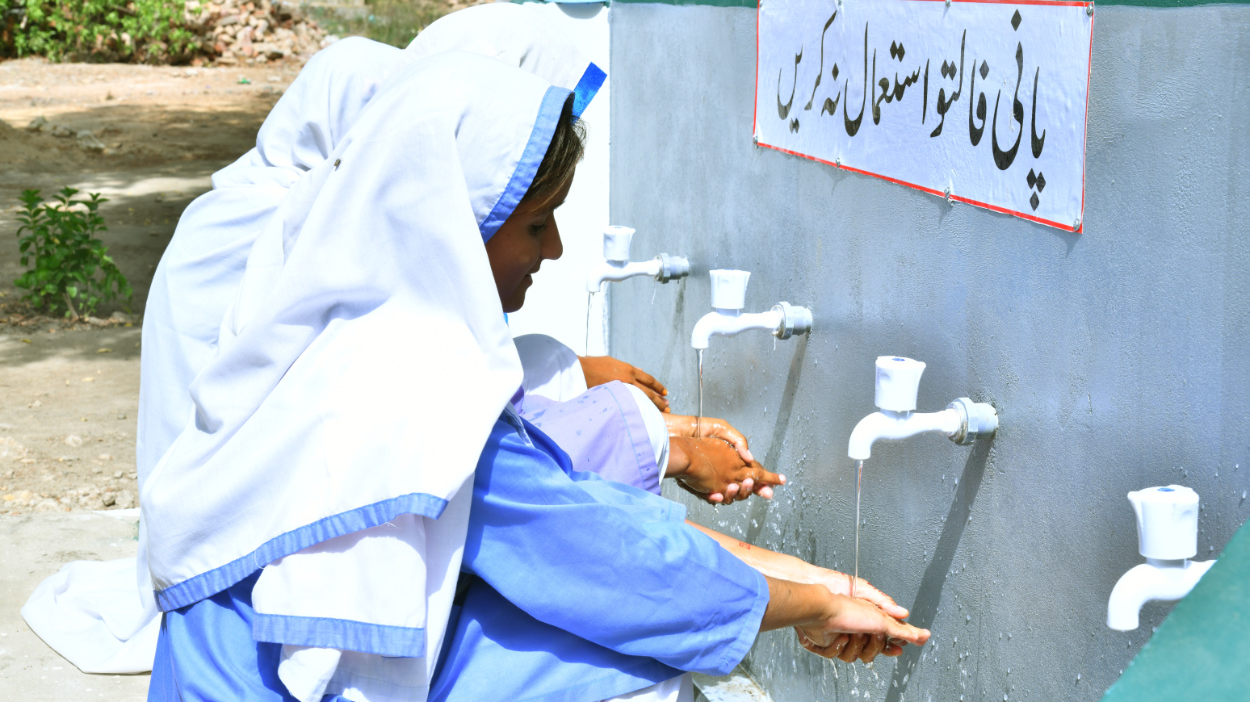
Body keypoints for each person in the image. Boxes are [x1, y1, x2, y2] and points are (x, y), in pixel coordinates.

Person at [142, 53, 928, 702]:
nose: (551, 251)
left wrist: (814, 581)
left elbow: (587, 517)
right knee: (636, 672)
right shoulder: (416, 401)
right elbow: (612, 562)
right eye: (534, 223)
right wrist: (815, 603)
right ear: (456, 226)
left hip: (234, 673)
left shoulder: (344, 333)